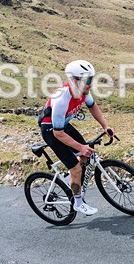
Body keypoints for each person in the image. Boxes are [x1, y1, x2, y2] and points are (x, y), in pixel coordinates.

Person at [39, 60, 114, 216]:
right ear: (74, 80)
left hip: (64, 126)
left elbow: (92, 106)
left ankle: (70, 179)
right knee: (76, 167)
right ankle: (78, 202)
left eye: (91, 79)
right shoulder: (62, 98)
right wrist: (80, 147)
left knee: (85, 155)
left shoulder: (82, 91)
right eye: (88, 80)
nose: (90, 84)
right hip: (51, 130)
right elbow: (58, 134)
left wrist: (105, 126)